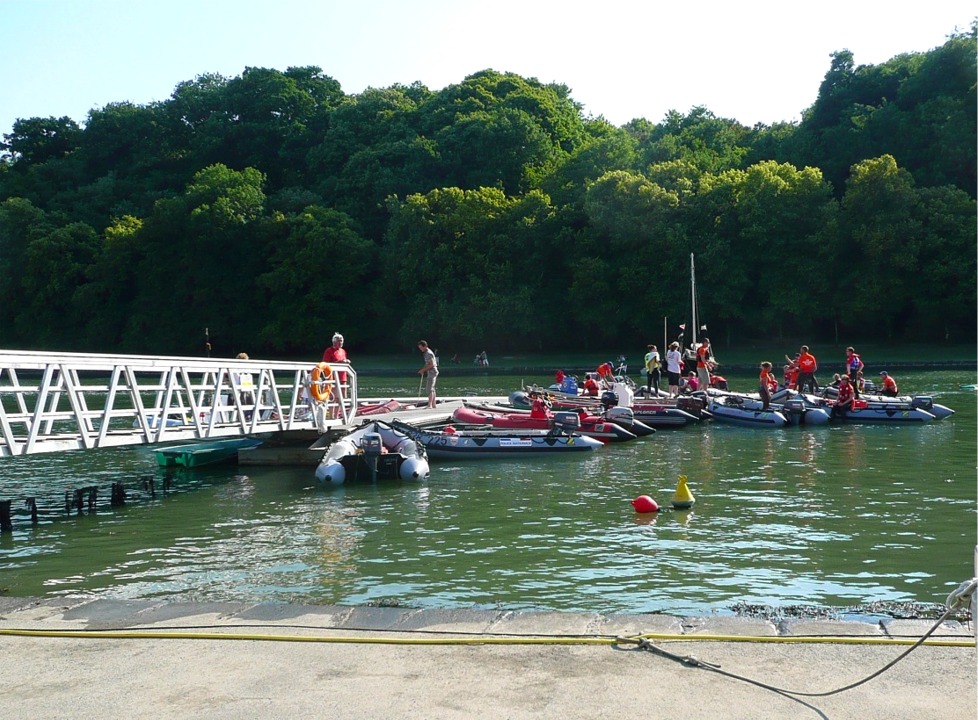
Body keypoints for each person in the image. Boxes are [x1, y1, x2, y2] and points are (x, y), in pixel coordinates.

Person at [417, 340, 439, 409]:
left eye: (421, 347)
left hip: (432, 372)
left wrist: (423, 370)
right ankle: (434, 404)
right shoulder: (426, 353)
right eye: (419, 348)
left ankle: (430, 405)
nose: (420, 349)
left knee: (429, 389)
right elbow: (428, 364)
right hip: (432, 371)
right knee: (432, 388)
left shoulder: (428, 353)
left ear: (425, 346)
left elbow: (431, 364)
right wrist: (423, 369)